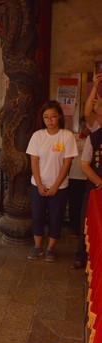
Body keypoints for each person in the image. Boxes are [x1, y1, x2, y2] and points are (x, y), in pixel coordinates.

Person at [26, 100, 77, 262]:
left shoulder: (66, 136)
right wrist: (40, 184)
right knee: (37, 216)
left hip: (59, 186)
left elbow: (66, 163)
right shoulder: (37, 136)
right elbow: (34, 162)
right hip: (38, 185)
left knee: (56, 217)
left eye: (53, 116)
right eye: (46, 117)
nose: (49, 120)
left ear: (59, 117)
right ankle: (38, 246)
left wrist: (55, 186)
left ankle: (50, 249)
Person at [70, 99, 102, 269]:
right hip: (95, 187)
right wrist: (99, 182)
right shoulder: (94, 136)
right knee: (87, 220)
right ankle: (81, 256)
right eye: (100, 115)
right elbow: (84, 164)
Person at [68, 116, 89, 237]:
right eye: (84, 126)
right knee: (74, 204)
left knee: (85, 204)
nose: (86, 129)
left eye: (88, 126)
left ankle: (84, 227)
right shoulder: (74, 138)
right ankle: (74, 228)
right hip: (74, 176)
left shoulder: (95, 139)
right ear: (81, 126)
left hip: (88, 177)